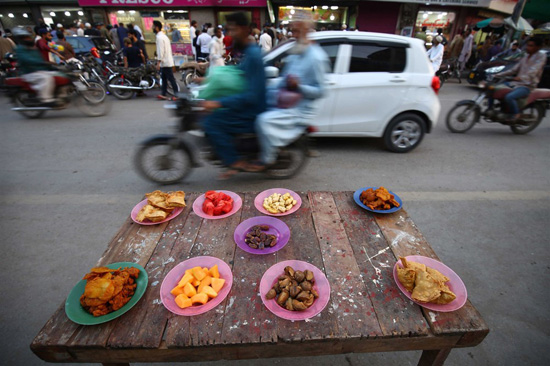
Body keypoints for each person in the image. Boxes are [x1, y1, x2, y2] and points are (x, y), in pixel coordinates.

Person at [254, 10, 329, 170]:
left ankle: (268, 159)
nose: (293, 34)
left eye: (297, 31)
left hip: (299, 109)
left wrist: (299, 86)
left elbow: (321, 91)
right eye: (292, 30)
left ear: (307, 31)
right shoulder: (296, 52)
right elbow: (284, 79)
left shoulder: (316, 57)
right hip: (283, 100)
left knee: (263, 121)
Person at [200, 12, 266, 179]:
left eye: (233, 30)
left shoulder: (254, 55)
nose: (230, 35)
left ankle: (235, 161)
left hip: (252, 111)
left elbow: (251, 95)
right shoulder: (249, 51)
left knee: (212, 122)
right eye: (228, 30)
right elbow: (237, 73)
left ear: (244, 29)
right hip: (247, 104)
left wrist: (218, 103)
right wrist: (208, 79)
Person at [488, 37, 546, 122]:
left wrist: (521, 77)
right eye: (527, 45)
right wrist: (498, 74)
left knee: (509, 97)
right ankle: (490, 110)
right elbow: (514, 69)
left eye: (531, 46)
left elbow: (534, 71)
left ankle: (516, 114)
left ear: (537, 47)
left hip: (527, 85)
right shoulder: (525, 56)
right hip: (515, 83)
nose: (528, 47)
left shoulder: (541, 56)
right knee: (493, 89)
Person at [12, 27, 57, 105]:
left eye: (28, 37)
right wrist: (43, 63)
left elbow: (40, 58)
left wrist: (49, 66)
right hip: (30, 72)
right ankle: (46, 99)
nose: (28, 39)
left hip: (40, 69)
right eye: (25, 37)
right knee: (46, 78)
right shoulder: (20, 49)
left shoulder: (33, 48)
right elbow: (27, 60)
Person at [153, 20, 179, 101]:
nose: (152, 28)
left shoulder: (160, 38)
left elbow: (161, 51)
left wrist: (158, 62)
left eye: (153, 26)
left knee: (170, 79)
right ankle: (163, 93)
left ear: (156, 27)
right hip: (167, 61)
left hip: (165, 62)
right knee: (164, 79)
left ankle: (177, 94)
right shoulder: (164, 36)